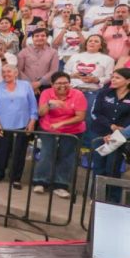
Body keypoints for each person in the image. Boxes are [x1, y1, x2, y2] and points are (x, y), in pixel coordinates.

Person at [32, 72, 86, 198]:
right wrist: (49, 104)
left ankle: (61, 185)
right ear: (52, 84)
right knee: (46, 153)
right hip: (49, 128)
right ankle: (40, 181)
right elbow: (41, 113)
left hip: (73, 130)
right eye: (59, 83)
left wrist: (61, 123)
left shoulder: (78, 94)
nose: (62, 86)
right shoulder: (47, 93)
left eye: (65, 83)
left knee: (67, 156)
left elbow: (80, 116)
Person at [0, 64, 38, 189]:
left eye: (8, 71)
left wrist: (32, 122)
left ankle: (16, 178)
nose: (5, 74)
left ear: (16, 73)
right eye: (3, 72)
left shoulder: (26, 85)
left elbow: (33, 105)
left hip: (22, 124)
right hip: (3, 125)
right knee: (2, 151)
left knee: (20, 152)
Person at [90, 68, 130, 203]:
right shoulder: (104, 92)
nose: (113, 80)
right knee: (98, 167)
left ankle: (112, 200)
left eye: (117, 78)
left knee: (113, 168)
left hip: (120, 138)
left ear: (128, 81)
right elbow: (95, 113)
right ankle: (96, 198)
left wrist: (119, 131)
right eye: (112, 77)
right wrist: (110, 127)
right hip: (100, 134)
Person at [16, 27, 59, 94]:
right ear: (32, 38)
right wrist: (30, 84)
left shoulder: (53, 52)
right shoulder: (24, 52)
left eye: (43, 36)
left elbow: (53, 70)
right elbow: (19, 70)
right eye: (36, 36)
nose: (40, 38)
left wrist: (39, 83)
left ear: (47, 38)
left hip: (45, 85)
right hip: (26, 85)